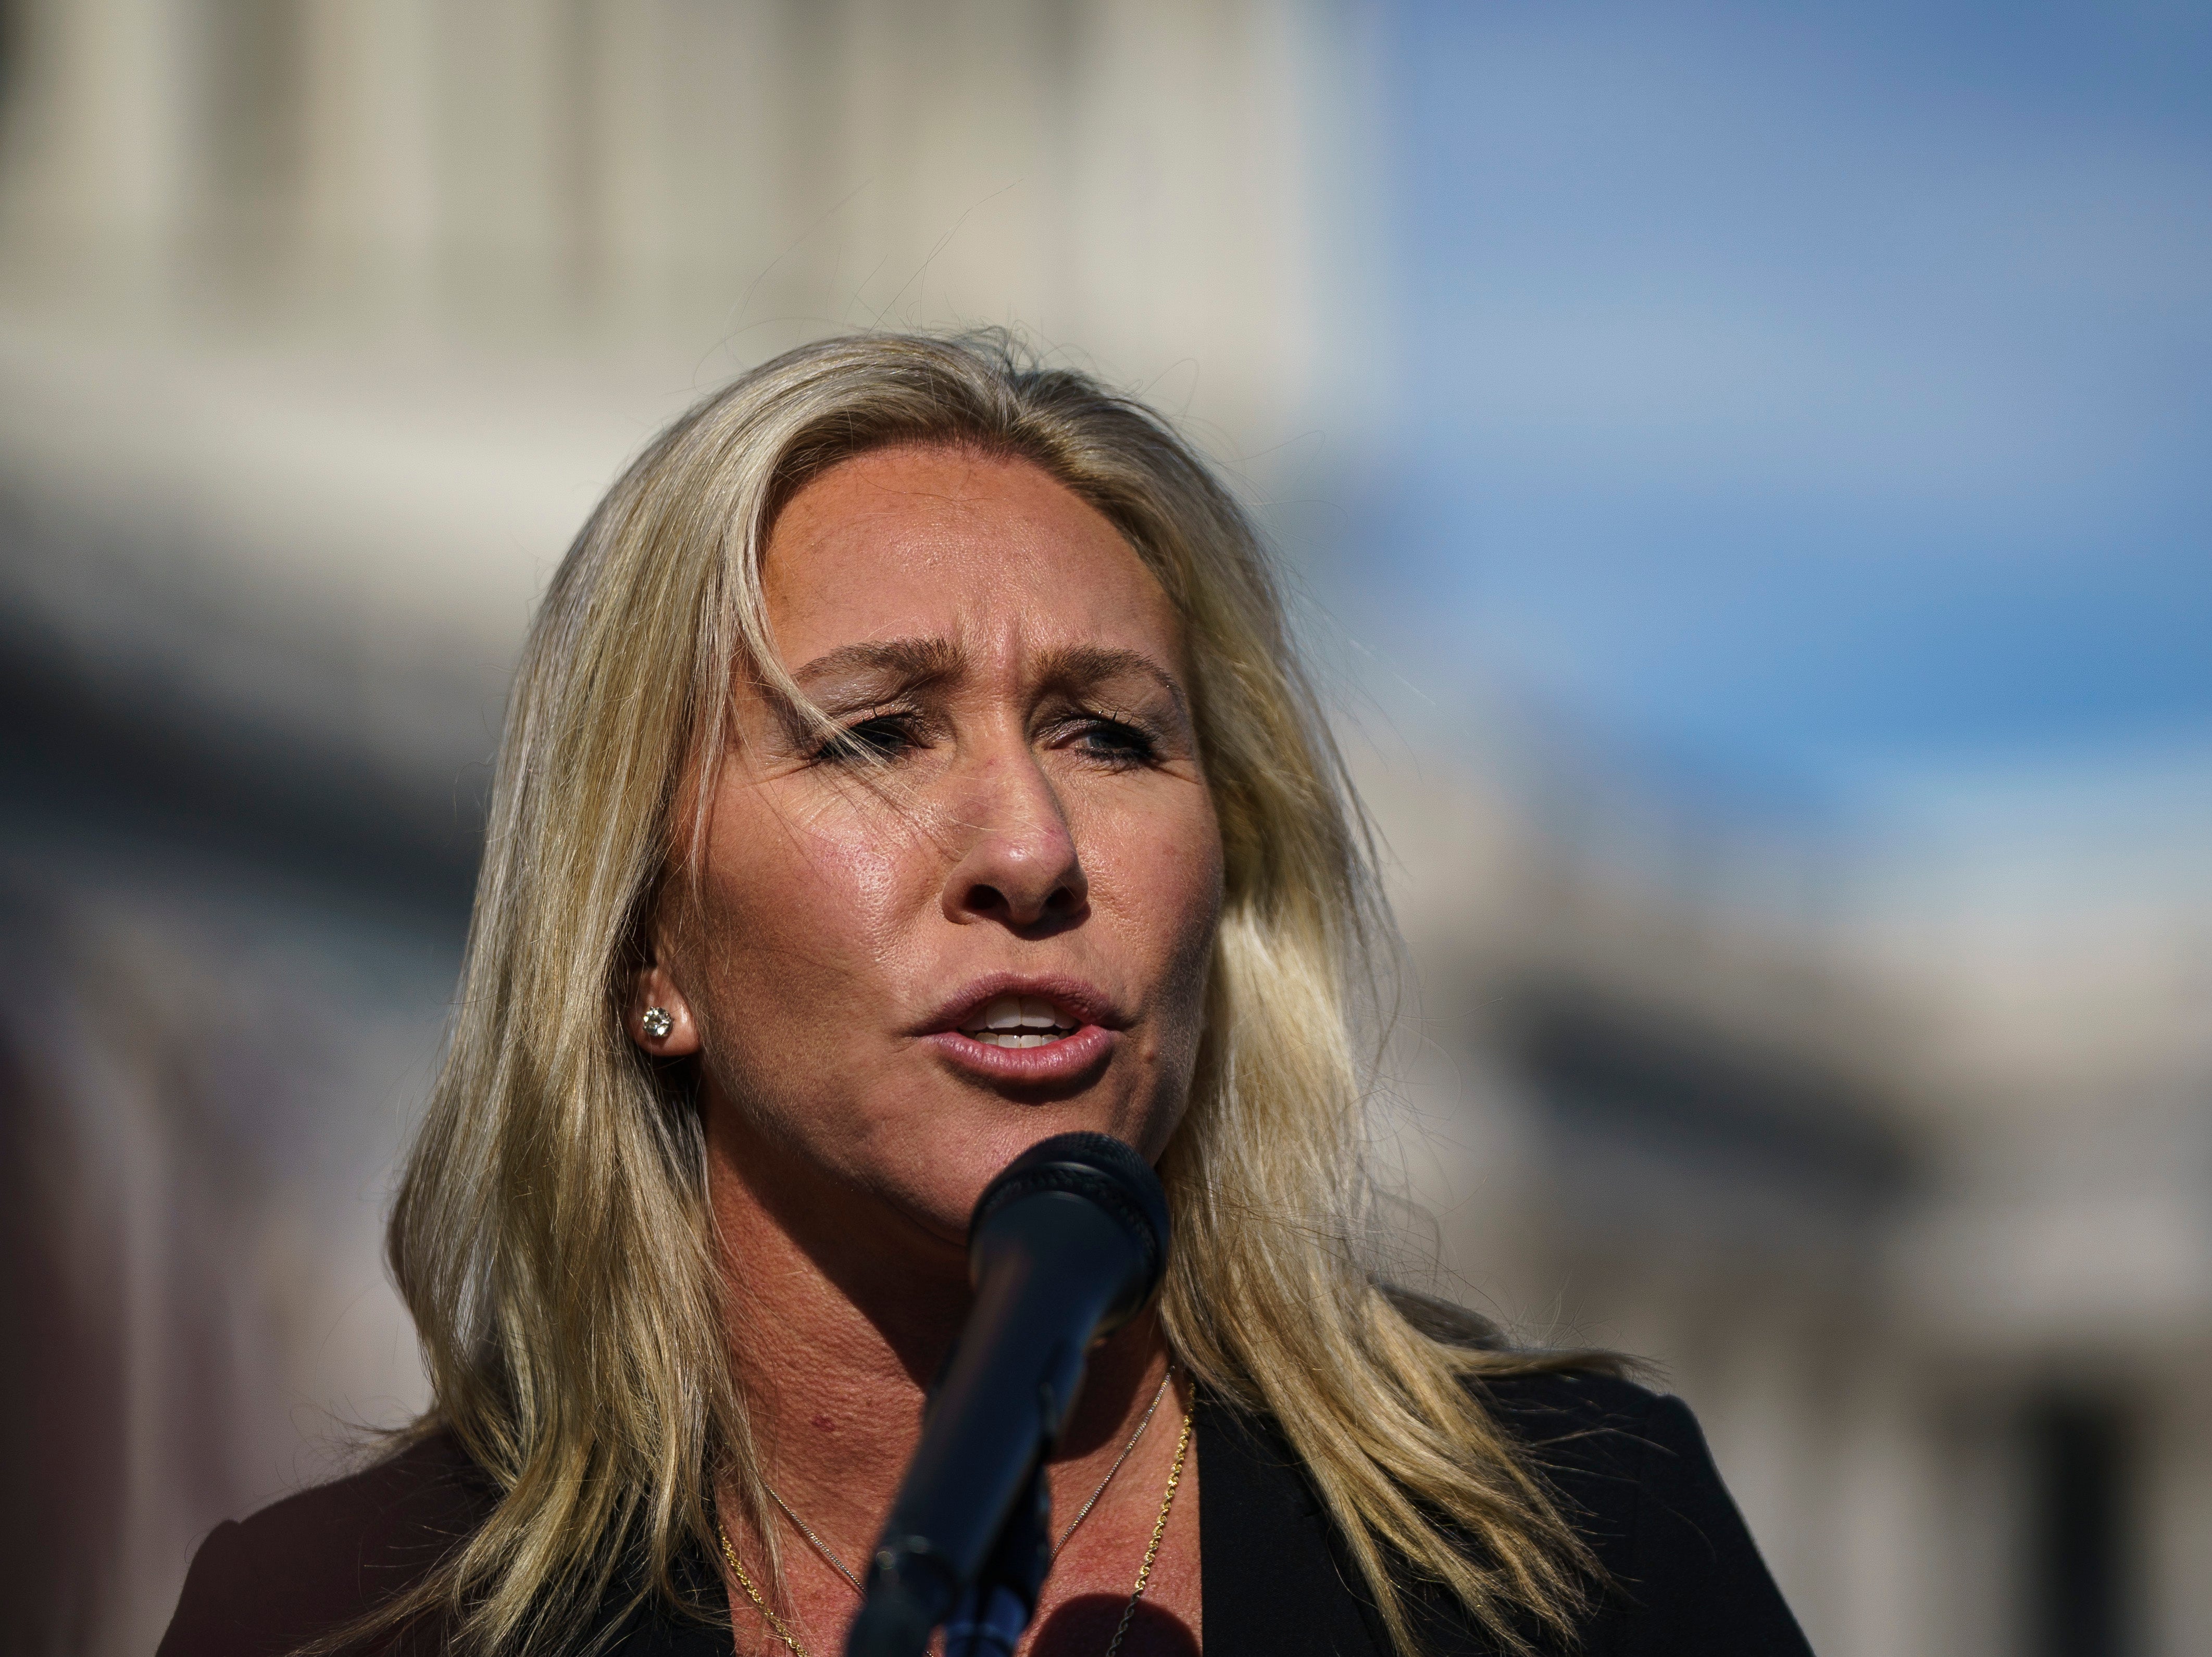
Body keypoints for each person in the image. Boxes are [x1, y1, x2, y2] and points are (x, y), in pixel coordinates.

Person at [159, 332, 1811, 1657]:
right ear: (641, 941)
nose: (1032, 848)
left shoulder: (1580, 1548)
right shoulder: (336, 1619)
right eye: (875, 731)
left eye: (1111, 732)